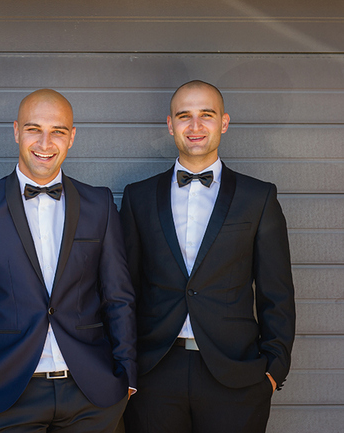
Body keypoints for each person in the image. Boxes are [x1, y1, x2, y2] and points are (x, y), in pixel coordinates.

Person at [0, 89, 137, 433]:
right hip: (4, 393)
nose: (45, 143)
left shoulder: (100, 204)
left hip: (90, 395)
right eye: (34, 129)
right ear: (16, 131)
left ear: (72, 137)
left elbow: (118, 296)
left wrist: (127, 375)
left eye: (58, 131)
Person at [120, 80, 295, 433]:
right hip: (155, 373)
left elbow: (277, 293)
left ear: (224, 122)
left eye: (206, 115)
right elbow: (124, 290)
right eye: (184, 116)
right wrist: (125, 367)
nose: (195, 126)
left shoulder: (258, 198)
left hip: (236, 375)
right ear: (170, 125)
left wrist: (273, 371)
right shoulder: (137, 197)